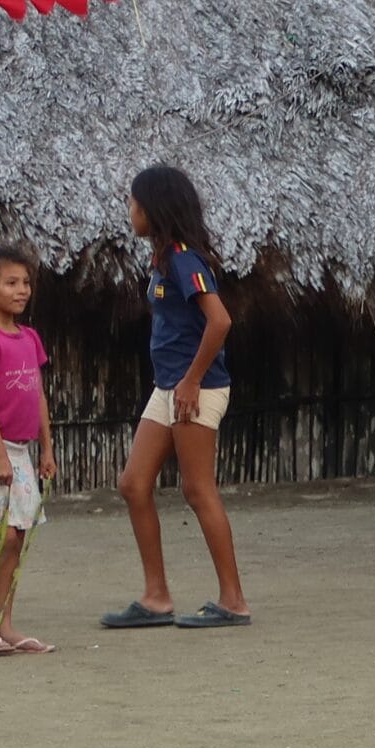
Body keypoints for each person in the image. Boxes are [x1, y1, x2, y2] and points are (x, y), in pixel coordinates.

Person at [103, 166, 250, 631]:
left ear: (152, 209)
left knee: (196, 488)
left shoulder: (185, 260)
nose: (130, 212)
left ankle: (234, 601)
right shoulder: (163, 260)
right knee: (133, 483)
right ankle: (157, 596)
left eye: (133, 204)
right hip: (168, 386)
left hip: (195, 388)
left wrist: (190, 381)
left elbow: (220, 322)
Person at [0, 240, 55, 656]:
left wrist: (47, 450)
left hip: (22, 451)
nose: (22, 290)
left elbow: (38, 396)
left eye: (25, 283)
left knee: (18, 540)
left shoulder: (29, 338)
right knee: (1, 539)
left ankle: (3, 625)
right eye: (10, 283)